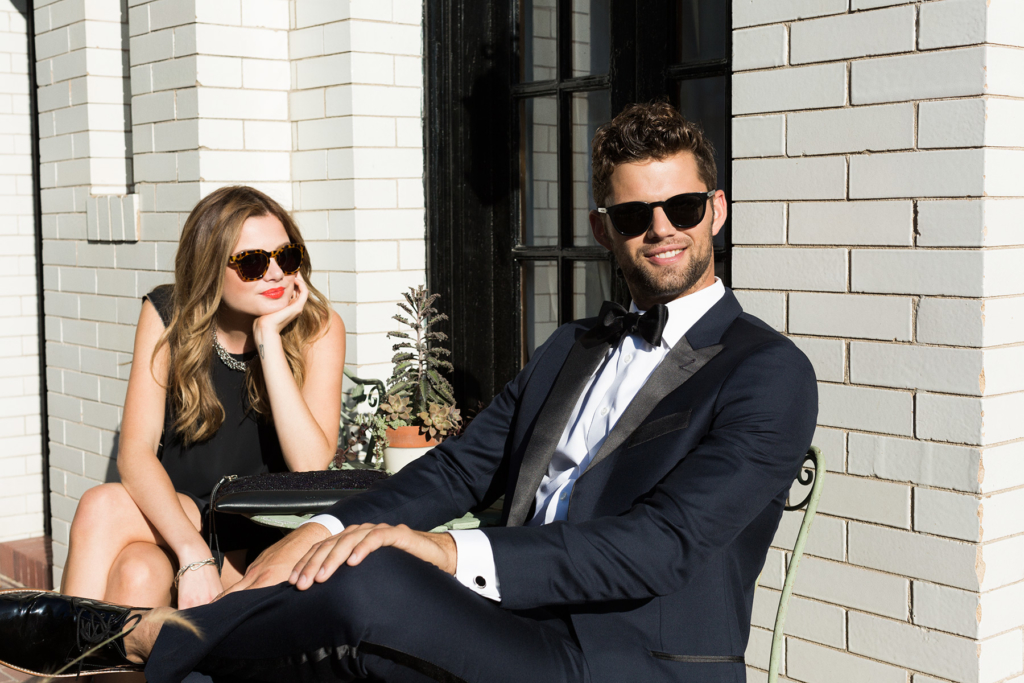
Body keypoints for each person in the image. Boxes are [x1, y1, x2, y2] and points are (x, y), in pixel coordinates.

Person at [0, 103, 817, 683]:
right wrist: (315, 529)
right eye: (636, 214)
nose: (661, 228)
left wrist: (443, 548)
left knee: (376, 574)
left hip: (628, 657)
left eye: (679, 207)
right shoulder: (574, 346)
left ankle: (138, 640)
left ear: (715, 211)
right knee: (336, 572)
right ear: (605, 228)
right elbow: (455, 470)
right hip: (515, 627)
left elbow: (660, 543)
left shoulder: (765, 371)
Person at [58, 185, 346, 611]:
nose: (274, 274)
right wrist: (192, 552)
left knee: (119, 537)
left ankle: (49, 673)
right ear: (211, 266)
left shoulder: (317, 329)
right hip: (178, 515)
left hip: (256, 523)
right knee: (131, 560)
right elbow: (135, 454)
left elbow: (310, 464)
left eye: (286, 257)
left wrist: (267, 338)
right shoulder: (167, 314)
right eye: (251, 262)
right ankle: (61, 676)